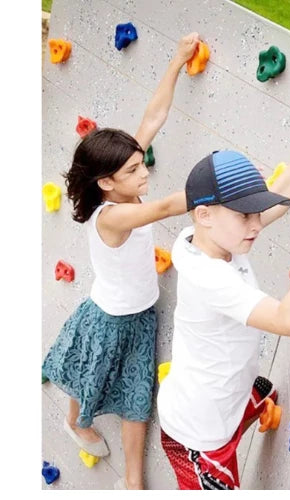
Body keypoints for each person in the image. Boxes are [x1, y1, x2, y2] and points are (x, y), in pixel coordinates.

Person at [157, 109, 290, 489]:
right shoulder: (211, 276)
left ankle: (248, 408)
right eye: (245, 215)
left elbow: (275, 204)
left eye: (256, 211)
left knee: (262, 388)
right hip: (199, 442)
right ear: (204, 214)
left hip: (209, 401)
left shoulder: (208, 237)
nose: (257, 223)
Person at [42, 32, 201, 490]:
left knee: (136, 396)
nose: (144, 170)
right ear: (107, 184)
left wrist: (177, 60)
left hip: (139, 315)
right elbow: (166, 207)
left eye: (141, 162)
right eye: (133, 169)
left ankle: (133, 481)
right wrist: (220, 187)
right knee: (86, 379)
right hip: (108, 319)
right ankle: (76, 421)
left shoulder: (123, 183)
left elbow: (153, 116)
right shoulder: (115, 215)